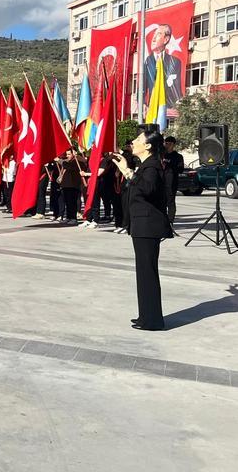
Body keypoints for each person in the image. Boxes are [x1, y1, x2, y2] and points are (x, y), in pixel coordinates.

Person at [112, 129, 172, 331]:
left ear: (147, 146)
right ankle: (146, 315)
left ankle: (153, 320)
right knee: (143, 273)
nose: (134, 142)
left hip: (148, 227)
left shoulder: (152, 166)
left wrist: (128, 172)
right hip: (141, 226)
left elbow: (147, 189)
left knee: (147, 273)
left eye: (138, 140)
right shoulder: (145, 166)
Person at [143, 23, 183, 108]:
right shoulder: (147, 62)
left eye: (158, 34)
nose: (153, 39)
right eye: (154, 34)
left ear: (166, 39)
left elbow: (177, 89)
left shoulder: (175, 62)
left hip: (168, 109)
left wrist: (178, 106)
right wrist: (143, 104)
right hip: (152, 108)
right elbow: (142, 88)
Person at [162, 136, 184, 223]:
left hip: (171, 183)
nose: (167, 145)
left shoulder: (177, 156)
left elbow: (180, 169)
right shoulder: (162, 155)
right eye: (165, 143)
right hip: (161, 182)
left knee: (170, 202)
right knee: (161, 202)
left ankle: (170, 221)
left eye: (169, 144)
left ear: (173, 145)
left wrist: (170, 166)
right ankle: (162, 220)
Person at [58, 149, 82, 224]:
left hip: (73, 185)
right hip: (66, 185)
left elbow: (69, 167)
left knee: (72, 202)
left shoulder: (76, 161)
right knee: (68, 202)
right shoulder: (68, 161)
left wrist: (60, 161)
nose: (67, 156)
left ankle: (73, 218)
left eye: (69, 154)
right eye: (67, 154)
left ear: (73, 154)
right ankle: (68, 217)